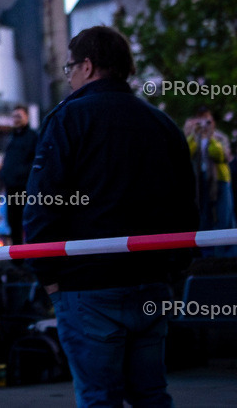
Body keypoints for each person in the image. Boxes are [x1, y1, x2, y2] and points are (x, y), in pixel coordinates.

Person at [24, 25, 199, 408]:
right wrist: (174, 268)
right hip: (150, 282)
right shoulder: (162, 124)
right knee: (151, 395)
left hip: (87, 285)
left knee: (100, 397)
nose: (68, 77)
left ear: (87, 66)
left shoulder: (68, 118)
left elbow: (42, 202)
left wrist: (47, 276)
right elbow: (187, 204)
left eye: (69, 68)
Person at [185, 106, 237, 257]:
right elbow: (187, 153)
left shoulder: (220, 137)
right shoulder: (193, 138)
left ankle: (228, 254)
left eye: (207, 120)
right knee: (204, 217)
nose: (204, 124)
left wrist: (210, 137)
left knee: (224, 216)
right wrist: (194, 134)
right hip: (200, 183)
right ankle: (206, 255)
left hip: (220, 181)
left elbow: (221, 155)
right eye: (200, 120)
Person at [0, 104, 38, 245]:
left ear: (27, 117)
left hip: (25, 188)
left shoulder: (33, 137)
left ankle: (30, 258)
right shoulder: (11, 138)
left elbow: (35, 160)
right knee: (13, 222)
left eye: (19, 116)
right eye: (14, 116)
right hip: (11, 188)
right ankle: (17, 261)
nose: (16, 119)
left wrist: (22, 174)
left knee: (27, 221)